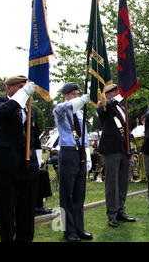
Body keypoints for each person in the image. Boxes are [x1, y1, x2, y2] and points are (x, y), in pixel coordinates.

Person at [0, 76, 39, 242]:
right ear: (9, 88)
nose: (25, 89)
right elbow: (3, 112)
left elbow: (34, 135)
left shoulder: (30, 108)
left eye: (26, 86)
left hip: (26, 165)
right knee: (6, 210)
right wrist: (23, 94)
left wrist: (35, 158)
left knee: (27, 209)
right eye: (20, 86)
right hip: (4, 165)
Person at [53, 82, 93, 242]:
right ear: (66, 95)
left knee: (79, 193)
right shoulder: (60, 110)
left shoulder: (80, 114)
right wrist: (78, 102)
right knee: (67, 194)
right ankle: (68, 230)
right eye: (74, 94)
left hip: (80, 154)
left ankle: (79, 228)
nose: (77, 97)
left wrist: (88, 155)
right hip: (68, 153)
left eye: (78, 94)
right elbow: (62, 108)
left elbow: (84, 135)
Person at [97, 84, 136, 227]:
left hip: (123, 149)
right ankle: (112, 214)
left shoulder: (120, 107)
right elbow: (102, 110)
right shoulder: (104, 106)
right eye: (114, 92)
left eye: (117, 92)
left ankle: (121, 210)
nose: (117, 94)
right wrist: (115, 98)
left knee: (123, 183)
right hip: (111, 149)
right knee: (112, 184)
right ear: (107, 95)